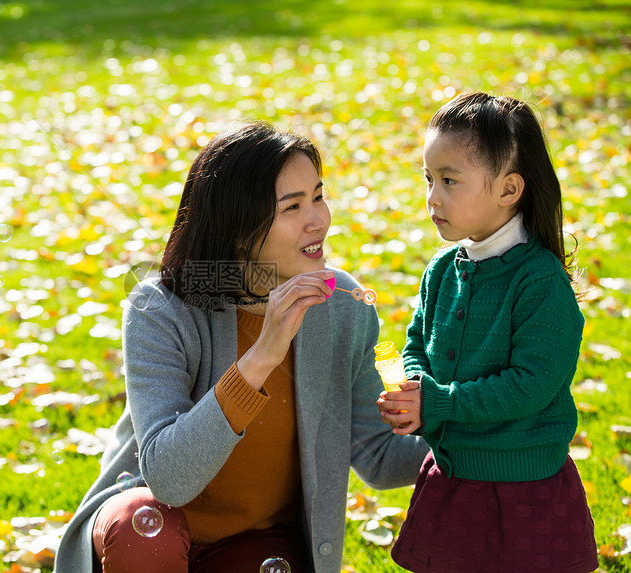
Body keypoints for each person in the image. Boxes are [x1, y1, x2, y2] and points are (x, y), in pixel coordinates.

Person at [53, 120, 429, 573]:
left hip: (256, 544)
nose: (319, 219)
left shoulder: (342, 308)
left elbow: (379, 454)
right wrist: (262, 355)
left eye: (318, 195)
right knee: (144, 531)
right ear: (238, 227)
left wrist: (461, 417)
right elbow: (169, 481)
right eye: (292, 207)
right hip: (154, 525)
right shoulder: (161, 308)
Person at [378, 92, 598, 573]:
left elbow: (532, 384)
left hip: (524, 491)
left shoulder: (539, 281)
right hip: (455, 478)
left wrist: (439, 403)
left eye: (450, 180)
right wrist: (415, 386)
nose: (432, 197)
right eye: (428, 179)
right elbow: (418, 342)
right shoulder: (442, 269)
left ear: (508, 189)